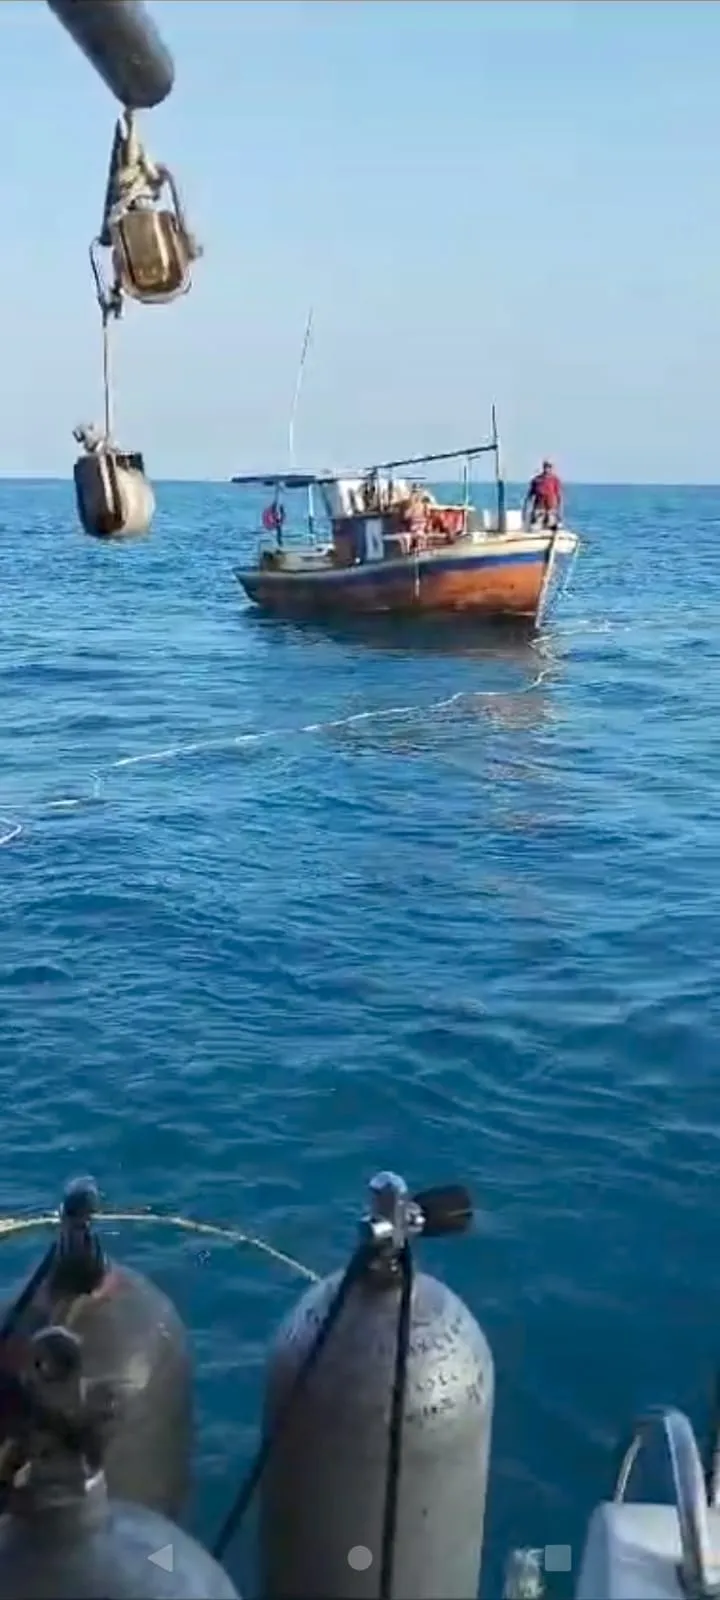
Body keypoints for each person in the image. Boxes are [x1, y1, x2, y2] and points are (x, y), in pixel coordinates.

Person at [523, 460, 564, 529]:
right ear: (543, 467)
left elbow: (559, 496)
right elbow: (529, 496)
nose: (547, 469)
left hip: (551, 509)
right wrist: (526, 510)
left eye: (549, 467)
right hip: (539, 509)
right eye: (546, 466)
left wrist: (560, 512)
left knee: (551, 525)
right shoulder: (536, 480)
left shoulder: (555, 480)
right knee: (536, 527)